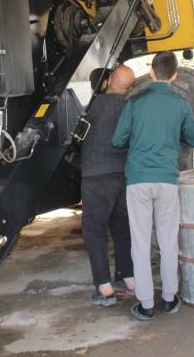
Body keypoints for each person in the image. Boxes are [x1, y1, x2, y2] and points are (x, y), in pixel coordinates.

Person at [112, 51, 194, 321]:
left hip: (138, 180)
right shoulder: (180, 104)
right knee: (168, 241)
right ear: (174, 75)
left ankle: (146, 304)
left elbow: (118, 140)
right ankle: (170, 298)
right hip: (166, 180)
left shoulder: (134, 102)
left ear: (151, 72)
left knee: (140, 242)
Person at [80, 65, 137, 306]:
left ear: (110, 79)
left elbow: (77, 134)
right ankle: (127, 278)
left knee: (95, 230)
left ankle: (104, 288)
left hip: (96, 176)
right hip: (124, 174)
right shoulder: (131, 107)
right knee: (122, 228)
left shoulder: (95, 106)